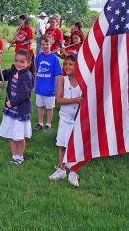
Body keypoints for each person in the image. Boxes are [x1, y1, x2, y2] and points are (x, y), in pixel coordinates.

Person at [49, 54, 83, 187]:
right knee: (62, 144)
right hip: (64, 117)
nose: (67, 66)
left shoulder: (83, 80)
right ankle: (61, 169)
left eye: (71, 64)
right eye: (66, 64)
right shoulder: (62, 79)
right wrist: (75, 100)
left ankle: (74, 171)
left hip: (78, 119)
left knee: (76, 146)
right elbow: (59, 100)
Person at [0, 49, 34, 165]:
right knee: (12, 134)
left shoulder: (28, 76)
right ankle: (14, 156)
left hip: (20, 110)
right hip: (11, 109)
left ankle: (20, 156)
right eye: (17, 61)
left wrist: (12, 102)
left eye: (22, 62)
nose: (18, 64)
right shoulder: (13, 70)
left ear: (29, 63)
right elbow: (1, 77)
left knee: (19, 135)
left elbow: (24, 93)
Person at [34, 35, 62, 132]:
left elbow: (58, 75)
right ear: (40, 45)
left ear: (51, 44)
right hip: (40, 87)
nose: (45, 46)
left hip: (50, 88)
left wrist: (57, 88)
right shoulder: (38, 57)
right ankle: (40, 123)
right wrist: (35, 84)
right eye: (43, 44)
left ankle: (48, 124)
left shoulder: (54, 58)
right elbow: (36, 72)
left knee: (49, 107)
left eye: (47, 44)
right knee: (40, 106)